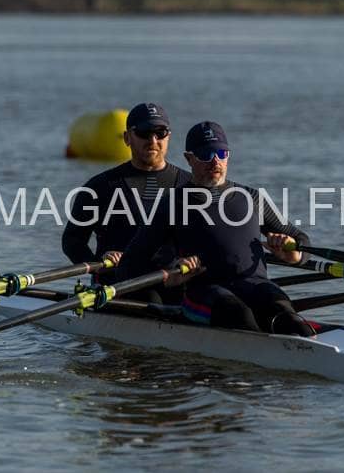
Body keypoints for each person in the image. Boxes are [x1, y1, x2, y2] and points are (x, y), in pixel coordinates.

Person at [117, 121, 314, 336]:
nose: (215, 162)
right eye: (206, 155)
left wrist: (292, 254)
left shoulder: (252, 198)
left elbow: (302, 240)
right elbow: (129, 264)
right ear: (189, 159)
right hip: (204, 292)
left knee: (289, 319)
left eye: (221, 153)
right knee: (239, 315)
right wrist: (169, 278)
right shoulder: (173, 204)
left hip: (254, 285)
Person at [62, 102, 190, 303]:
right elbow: (72, 240)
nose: (153, 140)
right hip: (119, 283)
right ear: (127, 138)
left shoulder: (189, 186)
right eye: (144, 133)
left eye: (160, 133)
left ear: (169, 137)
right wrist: (98, 264)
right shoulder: (100, 187)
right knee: (152, 299)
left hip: (174, 280)